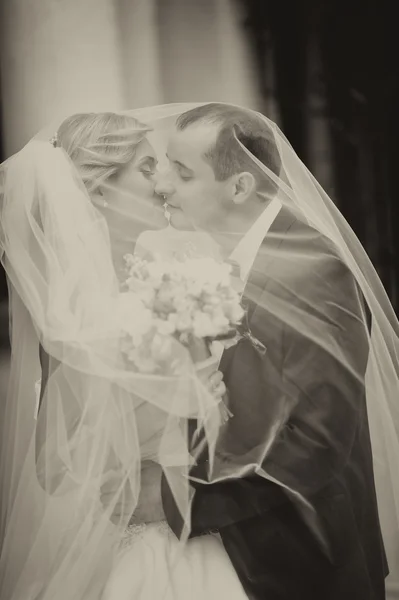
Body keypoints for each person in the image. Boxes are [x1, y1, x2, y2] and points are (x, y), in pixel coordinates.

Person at [152, 103, 398, 600]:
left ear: (240, 186)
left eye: (182, 173)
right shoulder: (223, 259)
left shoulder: (312, 269)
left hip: (305, 563)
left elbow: (318, 440)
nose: (162, 186)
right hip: (252, 552)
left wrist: (190, 505)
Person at [0, 110, 242, 600]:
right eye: (148, 168)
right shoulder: (80, 316)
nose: (164, 181)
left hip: (207, 524)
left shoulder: (165, 279)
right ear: (99, 190)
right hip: (152, 540)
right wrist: (179, 411)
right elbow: (53, 462)